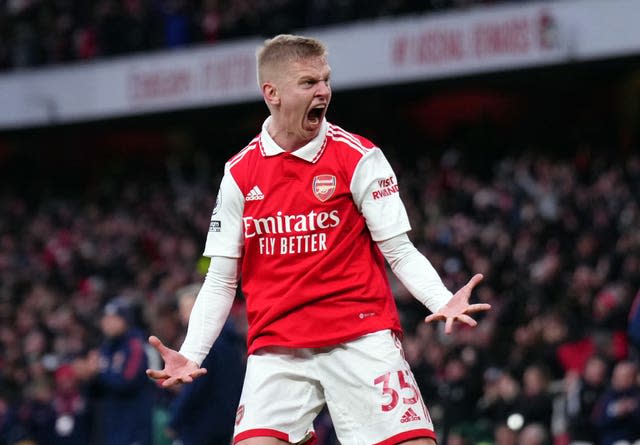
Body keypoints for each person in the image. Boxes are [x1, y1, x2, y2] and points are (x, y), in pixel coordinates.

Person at [146, 33, 490, 445]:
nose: (324, 90)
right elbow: (221, 279)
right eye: (309, 83)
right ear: (271, 93)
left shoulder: (359, 157)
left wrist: (440, 299)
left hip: (359, 337)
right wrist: (192, 353)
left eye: (325, 80)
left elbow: (398, 250)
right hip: (278, 347)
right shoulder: (239, 173)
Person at [166, 283, 245, 445]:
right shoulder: (231, 339)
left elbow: (194, 387)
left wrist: (175, 419)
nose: (182, 315)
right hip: (226, 423)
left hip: (200, 426)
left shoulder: (203, 344)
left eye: (186, 309)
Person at [74, 297, 154, 445]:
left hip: (134, 425)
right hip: (111, 425)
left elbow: (127, 381)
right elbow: (96, 392)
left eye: (113, 318)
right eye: (106, 318)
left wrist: (98, 372)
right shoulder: (105, 347)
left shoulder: (135, 346)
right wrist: (88, 377)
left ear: (125, 320)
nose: (106, 322)